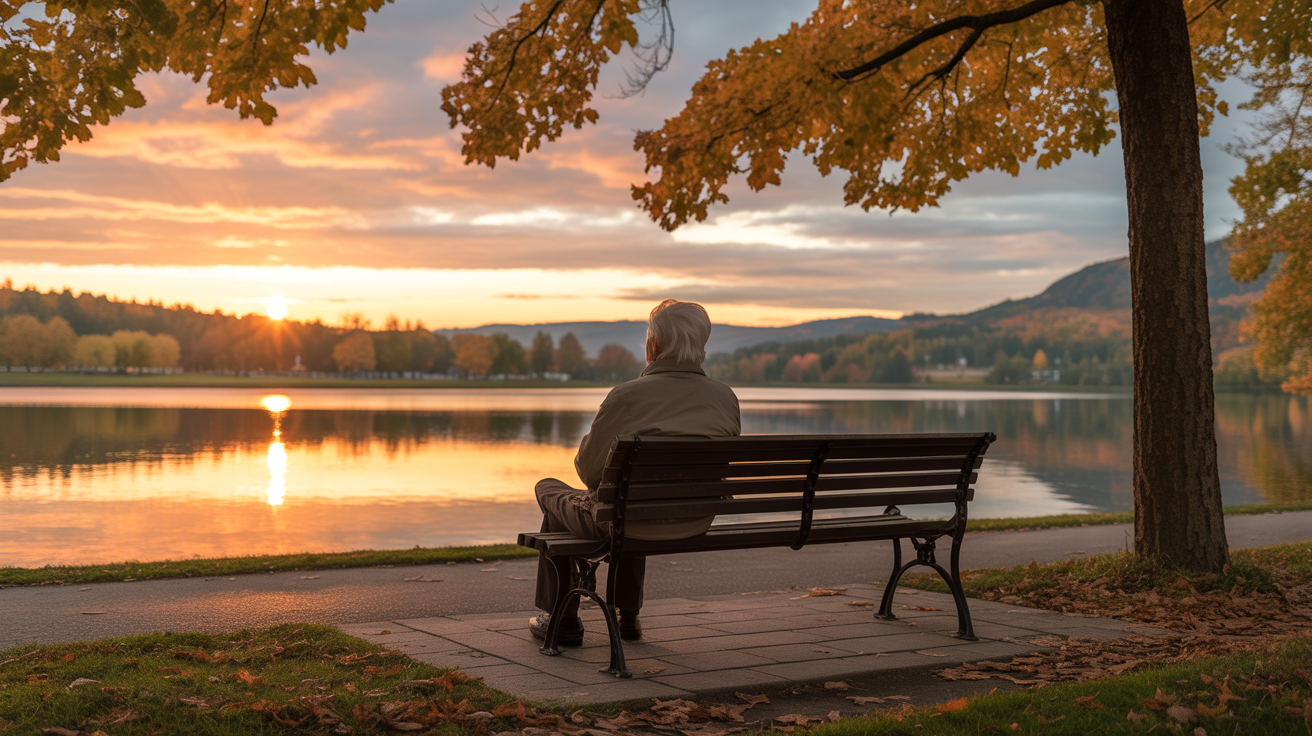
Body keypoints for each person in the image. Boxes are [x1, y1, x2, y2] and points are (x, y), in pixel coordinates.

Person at [530, 299, 741, 646]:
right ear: (700, 345)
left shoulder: (627, 396)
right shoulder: (725, 397)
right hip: (696, 518)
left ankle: (561, 619)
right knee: (634, 501)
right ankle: (628, 617)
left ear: (653, 345)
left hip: (629, 520)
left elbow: (587, 472)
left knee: (551, 492)